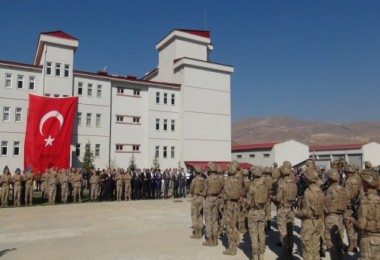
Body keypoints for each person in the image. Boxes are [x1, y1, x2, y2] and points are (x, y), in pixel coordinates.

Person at [346, 168, 380, 260]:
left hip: (368, 241)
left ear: (365, 183)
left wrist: (353, 220)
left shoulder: (365, 202)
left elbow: (361, 225)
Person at [293, 167, 325, 259]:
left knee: (307, 250)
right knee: (315, 248)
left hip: (309, 222)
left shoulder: (308, 192)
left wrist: (296, 212)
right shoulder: (320, 190)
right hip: (318, 221)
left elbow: (305, 212)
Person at [240, 165, 268, 260]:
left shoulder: (253, 186)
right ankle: (262, 256)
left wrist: (242, 200)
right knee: (262, 234)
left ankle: (255, 256)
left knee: (254, 235)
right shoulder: (265, 185)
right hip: (262, 212)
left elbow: (248, 202)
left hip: (253, 213)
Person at [271, 164, 297, 259]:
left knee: (283, 232)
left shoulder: (281, 183)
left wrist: (271, 197)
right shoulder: (293, 183)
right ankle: (290, 251)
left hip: (282, 209)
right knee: (290, 231)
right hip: (291, 209)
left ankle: (285, 255)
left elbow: (277, 198)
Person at [324, 168, 348, 260]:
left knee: (331, 243)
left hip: (331, 217)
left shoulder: (330, 189)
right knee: (339, 243)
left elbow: (326, 206)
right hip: (340, 217)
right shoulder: (342, 189)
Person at [222, 162, 244, 255]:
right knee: (234, 225)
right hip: (236, 205)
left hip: (230, 205)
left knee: (229, 226)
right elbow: (241, 192)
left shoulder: (228, 181)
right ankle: (235, 242)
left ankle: (231, 248)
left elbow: (225, 194)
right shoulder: (238, 180)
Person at [202, 162, 223, 247]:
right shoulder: (219, 178)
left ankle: (210, 240)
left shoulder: (208, 179)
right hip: (216, 199)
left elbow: (204, 191)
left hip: (209, 199)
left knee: (208, 220)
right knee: (215, 219)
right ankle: (215, 240)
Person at [343, 164, 360, 253]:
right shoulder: (358, 179)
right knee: (355, 226)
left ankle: (351, 246)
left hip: (349, 206)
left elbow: (346, 195)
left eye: (345, 172)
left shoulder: (348, 181)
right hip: (357, 205)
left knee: (348, 225)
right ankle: (355, 244)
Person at [189, 165, 205, 239]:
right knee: (200, 215)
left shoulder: (194, 180)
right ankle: (200, 232)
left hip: (195, 198)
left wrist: (192, 193)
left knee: (194, 215)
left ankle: (196, 233)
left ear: (195, 172)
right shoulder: (203, 179)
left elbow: (191, 189)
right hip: (201, 198)